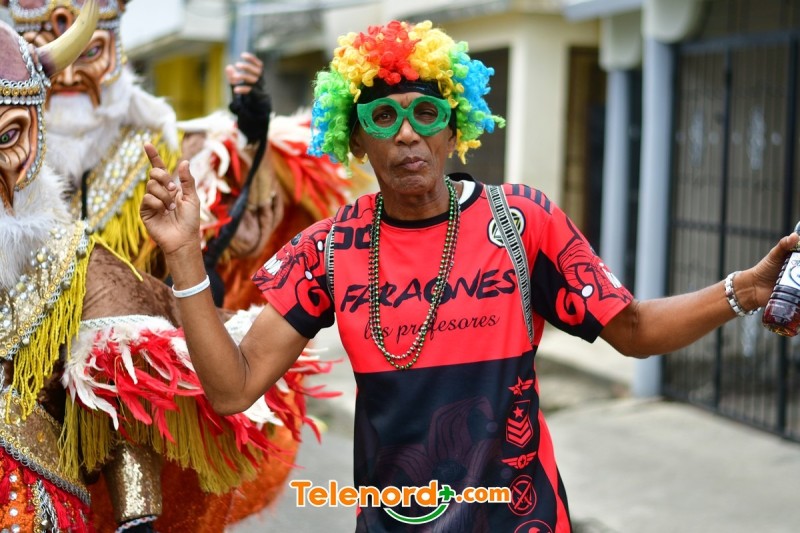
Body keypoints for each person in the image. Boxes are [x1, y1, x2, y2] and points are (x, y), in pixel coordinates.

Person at [139, 19, 797, 531]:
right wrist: (186, 255)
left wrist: (746, 289)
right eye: (383, 117)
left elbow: (634, 328)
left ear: (454, 129)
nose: (406, 134)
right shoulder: (331, 249)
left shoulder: (522, 223)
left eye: (425, 114)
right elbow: (232, 388)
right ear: (356, 138)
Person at [5, 0, 361, 529]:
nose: (74, 77)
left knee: (120, 372)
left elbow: (214, 236)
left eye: (90, 55)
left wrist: (251, 140)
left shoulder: (166, 147)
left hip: (111, 356)